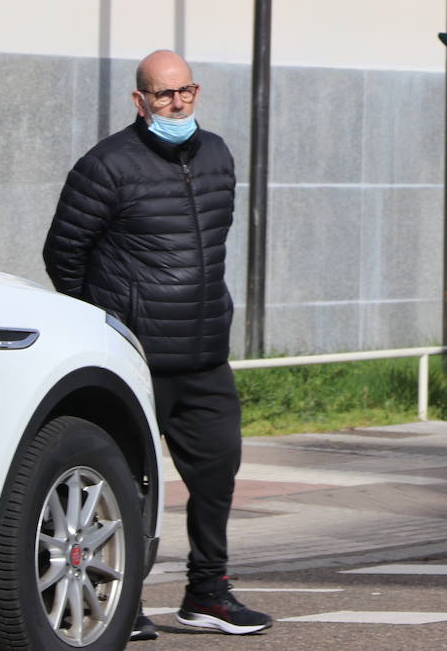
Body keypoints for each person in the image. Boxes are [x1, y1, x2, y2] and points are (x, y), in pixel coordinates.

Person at [42, 50, 272, 640]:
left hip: (203, 352)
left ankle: (208, 593)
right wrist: (106, 323)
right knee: (129, 484)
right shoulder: (107, 166)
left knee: (218, 473)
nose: (177, 105)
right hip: (136, 358)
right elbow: (62, 253)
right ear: (139, 101)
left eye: (186, 92)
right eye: (164, 96)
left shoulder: (218, 154)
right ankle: (123, 600)